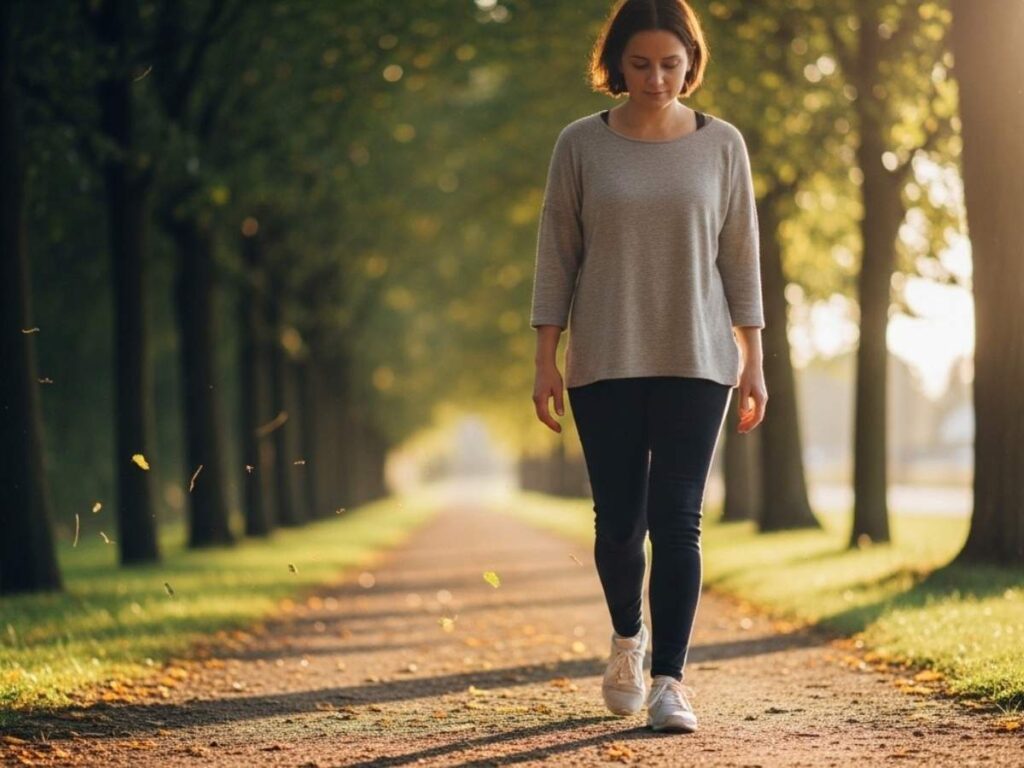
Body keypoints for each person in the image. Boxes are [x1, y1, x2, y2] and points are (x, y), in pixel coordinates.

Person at [529, 0, 768, 734]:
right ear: (616, 64)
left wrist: (754, 359)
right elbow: (557, 252)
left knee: (679, 518)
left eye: (671, 63)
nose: (657, 78)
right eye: (641, 64)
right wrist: (546, 356)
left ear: (691, 62)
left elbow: (741, 258)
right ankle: (627, 640)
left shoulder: (722, 145)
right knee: (618, 526)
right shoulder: (580, 145)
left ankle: (670, 679)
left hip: (699, 358)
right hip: (604, 357)